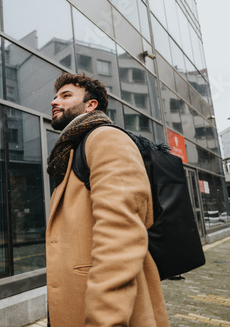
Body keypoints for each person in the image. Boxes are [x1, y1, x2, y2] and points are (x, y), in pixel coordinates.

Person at [46, 73, 170, 326]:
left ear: (91, 105)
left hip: (106, 308)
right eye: (55, 96)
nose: (54, 101)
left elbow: (121, 233)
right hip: (75, 300)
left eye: (66, 96)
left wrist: (105, 317)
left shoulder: (104, 138)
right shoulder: (70, 151)